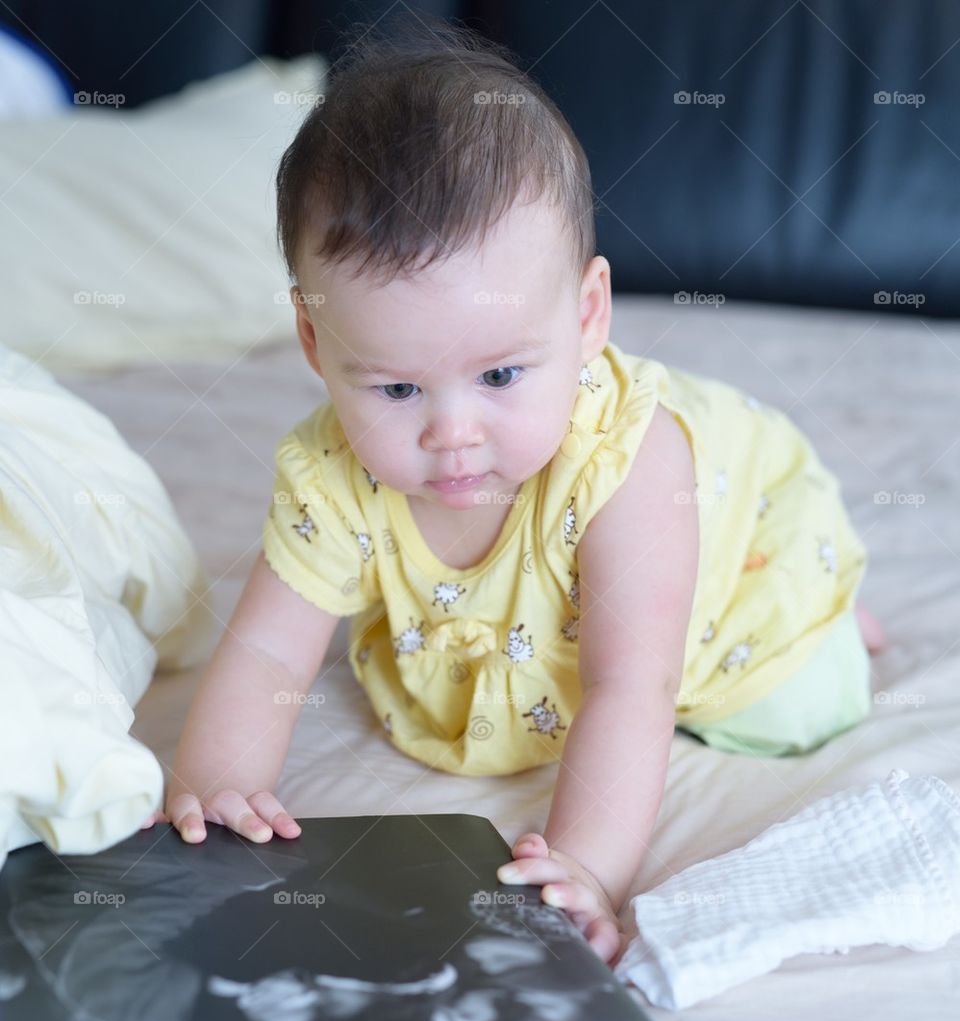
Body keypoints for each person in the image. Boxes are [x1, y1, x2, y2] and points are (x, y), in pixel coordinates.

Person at [143, 15, 885, 967]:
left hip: (724, 561)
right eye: (399, 388)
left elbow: (629, 685)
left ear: (586, 317)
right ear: (317, 343)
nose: (453, 433)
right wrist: (216, 788)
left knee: (794, 705)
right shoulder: (330, 476)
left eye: (500, 376)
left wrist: (585, 867)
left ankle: (836, 620)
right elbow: (268, 656)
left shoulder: (623, 465)